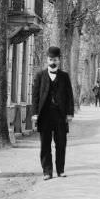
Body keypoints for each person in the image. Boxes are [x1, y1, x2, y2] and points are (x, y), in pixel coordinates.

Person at [31, 46, 74, 180]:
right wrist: (34, 113)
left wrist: (69, 113)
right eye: (50, 59)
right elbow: (35, 96)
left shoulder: (64, 76)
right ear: (47, 60)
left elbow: (69, 96)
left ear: (59, 60)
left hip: (60, 115)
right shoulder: (40, 75)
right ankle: (47, 172)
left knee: (61, 143)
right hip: (44, 115)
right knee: (45, 144)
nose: (52, 62)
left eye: (55, 59)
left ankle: (60, 170)